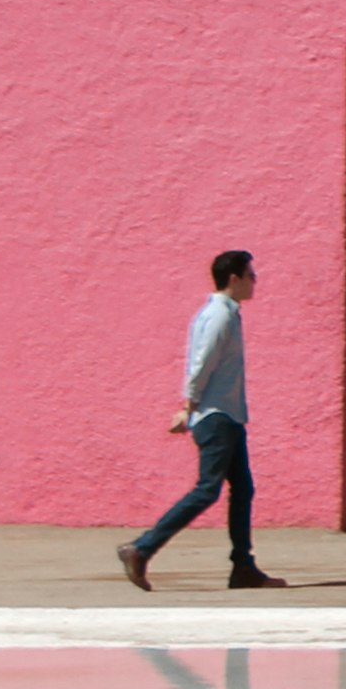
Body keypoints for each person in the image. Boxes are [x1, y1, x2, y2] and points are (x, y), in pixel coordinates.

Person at [117, 250, 283, 592]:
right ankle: (142, 548)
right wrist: (188, 405)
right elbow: (201, 363)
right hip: (216, 417)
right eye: (250, 275)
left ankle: (243, 567)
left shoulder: (225, 314)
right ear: (233, 278)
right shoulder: (219, 316)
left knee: (243, 490)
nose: (255, 281)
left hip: (229, 416)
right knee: (207, 490)